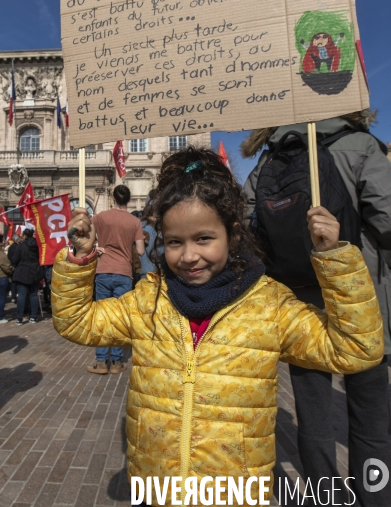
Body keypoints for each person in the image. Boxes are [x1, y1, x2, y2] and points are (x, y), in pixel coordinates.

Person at [51, 147, 384, 506]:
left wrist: (336, 261)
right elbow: (77, 321)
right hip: (156, 489)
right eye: (175, 242)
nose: (189, 255)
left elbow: (356, 349)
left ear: (233, 234)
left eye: (204, 239)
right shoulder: (149, 299)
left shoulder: (269, 305)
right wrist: (80, 258)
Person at [242, 111, 391, 506]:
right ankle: (375, 496)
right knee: (371, 422)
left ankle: (323, 497)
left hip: (302, 306)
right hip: (366, 303)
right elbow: (388, 218)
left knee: (314, 418)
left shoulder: (270, 159)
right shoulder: (359, 145)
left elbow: (245, 227)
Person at [88, 185, 145, 375]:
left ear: (113, 198)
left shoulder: (101, 217)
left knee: (103, 317)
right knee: (120, 318)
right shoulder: (134, 221)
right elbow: (141, 251)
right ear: (128, 200)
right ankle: (118, 361)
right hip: (123, 272)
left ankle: (102, 361)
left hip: (103, 270)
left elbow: (84, 232)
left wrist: (97, 247)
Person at [11, 228, 43, 325]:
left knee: (22, 295)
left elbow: (14, 259)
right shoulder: (37, 246)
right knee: (33, 295)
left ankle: (20, 318)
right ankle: (33, 316)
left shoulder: (21, 246)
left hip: (22, 272)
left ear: (24, 236)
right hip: (34, 271)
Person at [0, 235, 14, 324]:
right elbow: (7, 267)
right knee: (1, 298)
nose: (5, 242)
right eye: (4, 240)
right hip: (2, 277)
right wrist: (12, 269)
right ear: (0, 243)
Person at [7, 234, 22, 303]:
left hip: (13, 266)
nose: (20, 239)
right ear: (16, 240)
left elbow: (8, 257)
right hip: (17, 266)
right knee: (17, 282)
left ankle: (13, 296)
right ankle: (16, 295)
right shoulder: (18, 247)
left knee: (13, 282)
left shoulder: (11, 247)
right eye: (19, 238)